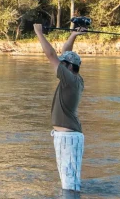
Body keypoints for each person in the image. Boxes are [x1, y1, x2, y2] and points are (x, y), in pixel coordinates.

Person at [34, 23, 86, 198]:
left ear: (70, 68)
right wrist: (73, 36)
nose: (60, 66)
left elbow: (51, 55)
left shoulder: (70, 80)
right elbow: (64, 54)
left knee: (70, 185)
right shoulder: (73, 78)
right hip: (65, 137)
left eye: (64, 64)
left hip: (68, 138)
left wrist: (38, 32)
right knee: (67, 183)